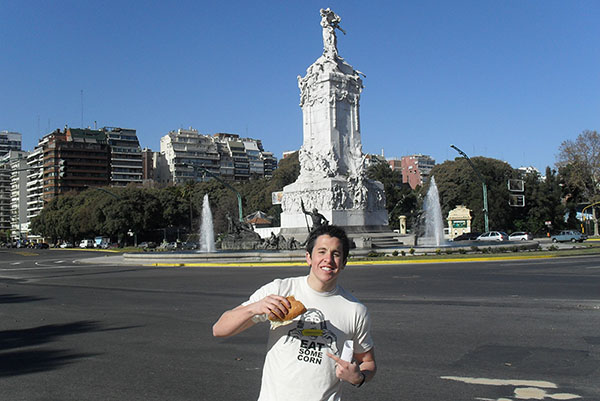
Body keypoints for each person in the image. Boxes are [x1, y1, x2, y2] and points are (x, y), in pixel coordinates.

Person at [213, 225, 376, 401]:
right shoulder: (280, 290)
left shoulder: (355, 310)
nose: (328, 259)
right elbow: (220, 329)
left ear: (343, 263)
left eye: (336, 254)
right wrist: (255, 307)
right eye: (321, 252)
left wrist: (359, 377)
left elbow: (368, 362)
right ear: (308, 257)